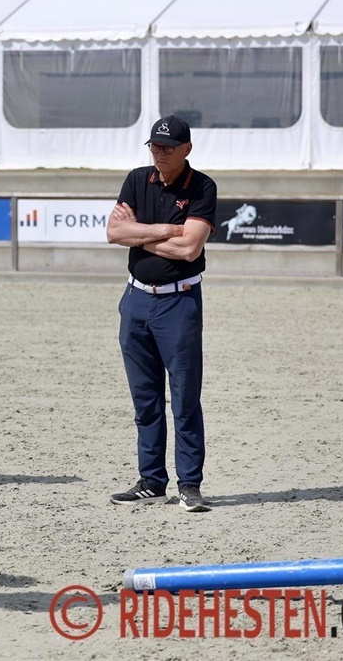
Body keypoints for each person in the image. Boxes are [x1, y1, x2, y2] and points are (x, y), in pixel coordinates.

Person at [105, 115, 217, 512]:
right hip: (135, 299)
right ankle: (152, 480)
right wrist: (169, 229)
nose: (159, 153)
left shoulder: (203, 186)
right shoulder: (137, 179)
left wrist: (140, 233)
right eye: (154, 146)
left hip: (179, 302)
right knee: (145, 399)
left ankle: (190, 483)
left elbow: (190, 249)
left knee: (184, 398)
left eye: (168, 147)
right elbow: (114, 233)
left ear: (187, 149)